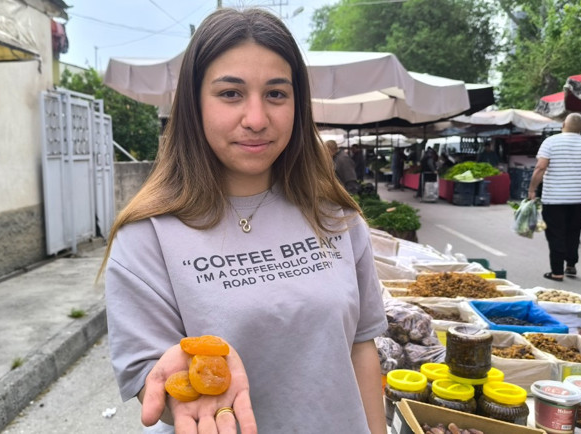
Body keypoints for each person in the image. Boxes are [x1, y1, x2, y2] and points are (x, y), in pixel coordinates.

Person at [101, 8, 387, 434]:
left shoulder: (336, 216)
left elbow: (362, 349)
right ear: (194, 104)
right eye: (230, 94)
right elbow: (153, 385)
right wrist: (185, 385)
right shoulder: (148, 235)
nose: (256, 119)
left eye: (276, 94)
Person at [528, 113, 581, 282]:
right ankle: (571, 265)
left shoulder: (551, 142)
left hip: (554, 199)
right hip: (577, 199)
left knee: (556, 233)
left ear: (563, 126)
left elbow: (540, 168)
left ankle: (557, 271)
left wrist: (532, 189)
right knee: (573, 231)